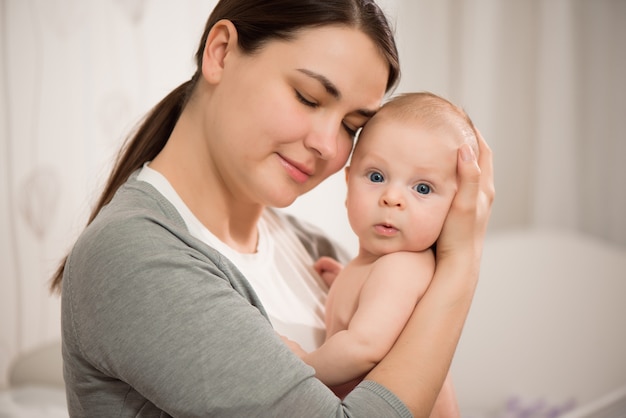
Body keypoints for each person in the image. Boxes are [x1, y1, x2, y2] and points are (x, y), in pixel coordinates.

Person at [50, 1, 494, 417]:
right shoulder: (133, 254)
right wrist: (459, 265)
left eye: (350, 126)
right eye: (308, 97)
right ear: (221, 53)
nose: (326, 144)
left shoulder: (312, 249)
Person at [293, 92, 479, 416]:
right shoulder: (381, 267)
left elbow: (364, 348)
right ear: (348, 184)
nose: (392, 197)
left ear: (455, 207)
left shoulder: (402, 267)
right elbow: (383, 311)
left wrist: (302, 367)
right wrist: (344, 282)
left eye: (422, 188)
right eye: (376, 177)